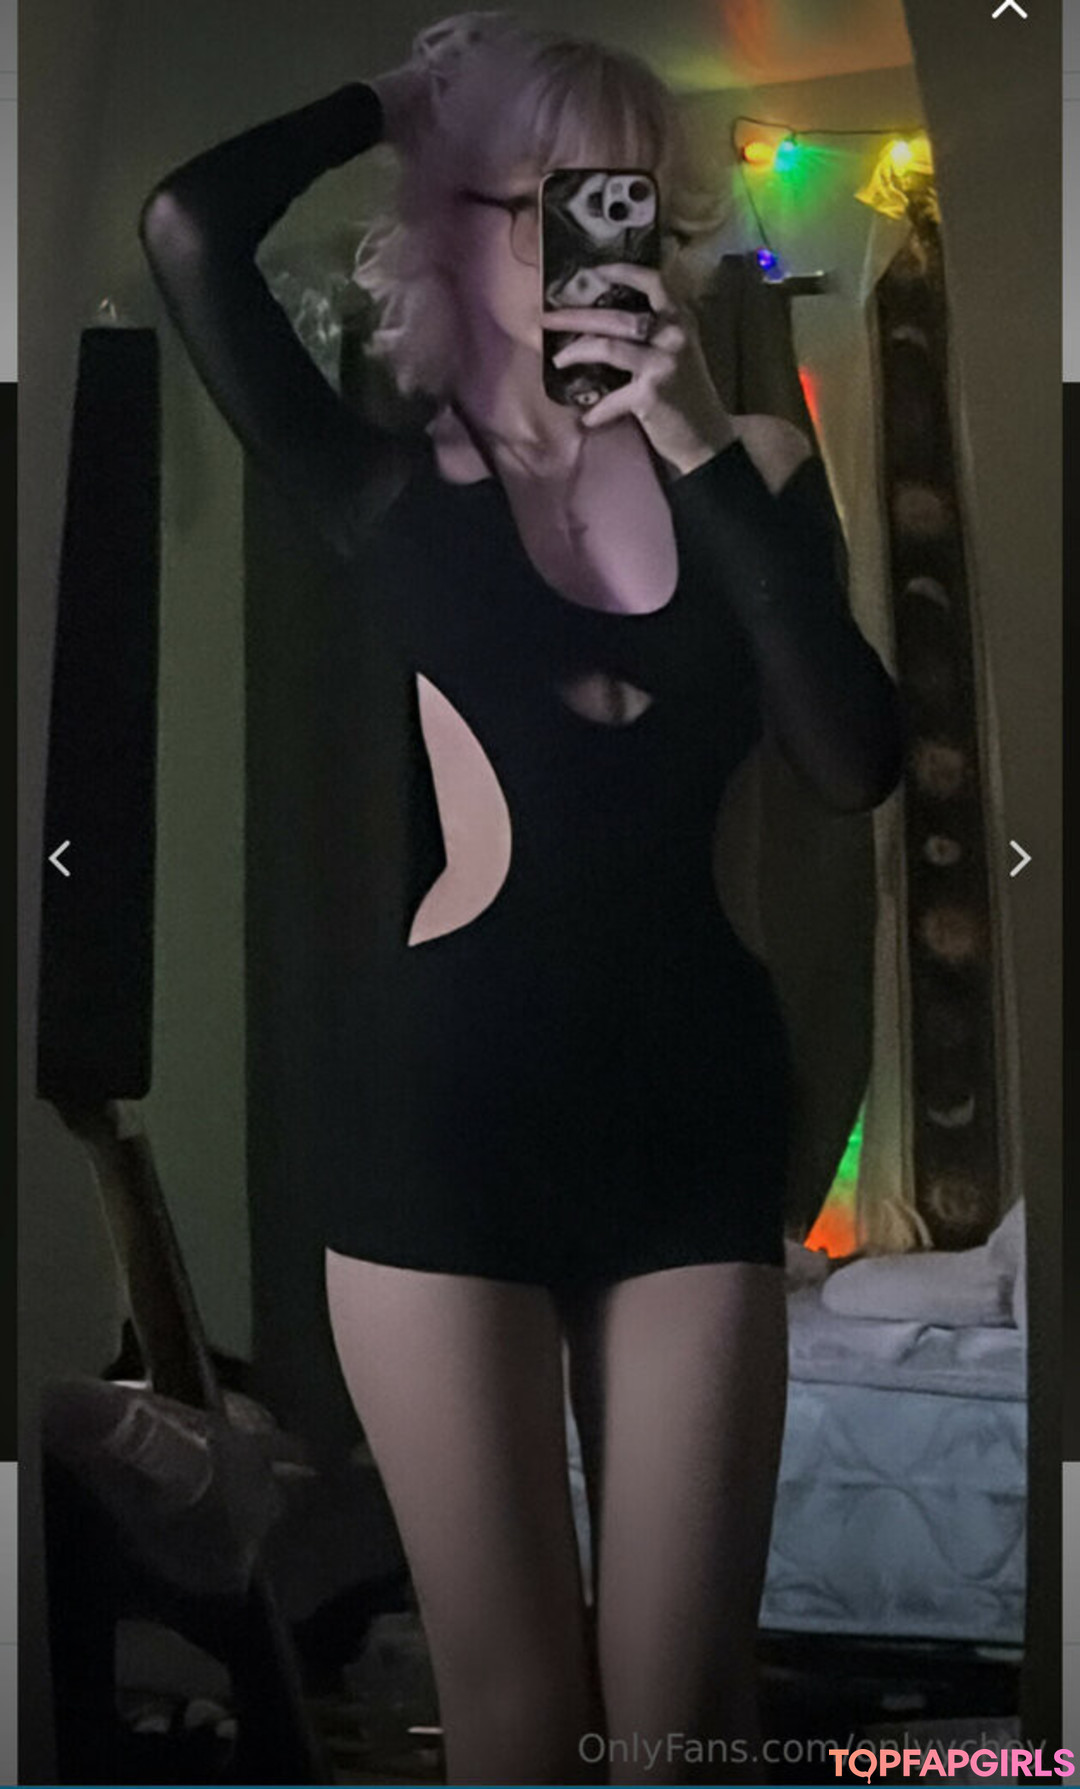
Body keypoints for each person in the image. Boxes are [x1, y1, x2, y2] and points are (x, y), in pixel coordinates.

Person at [139, 11, 904, 1783]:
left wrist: (692, 433)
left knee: (685, 1720)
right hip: (445, 1119)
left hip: (692, 1111)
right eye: (547, 198)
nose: (591, 241)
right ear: (455, 216)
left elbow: (854, 759)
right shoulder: (385, 479)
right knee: (516, 1719)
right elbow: (186, 226)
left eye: (622, 196)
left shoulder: (755, 466)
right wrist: (390, 101)